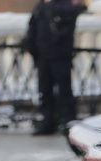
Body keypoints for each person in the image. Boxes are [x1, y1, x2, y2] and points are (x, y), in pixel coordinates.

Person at [24, 0, 84, 135]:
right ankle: (48, 122)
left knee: (64, 90)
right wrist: (31, 46)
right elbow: (33, 26)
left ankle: (68, 122)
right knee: (45, 90)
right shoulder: (41, 7)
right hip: (43, 56)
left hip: (60, 56)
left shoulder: (65, 6)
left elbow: (67, 22)